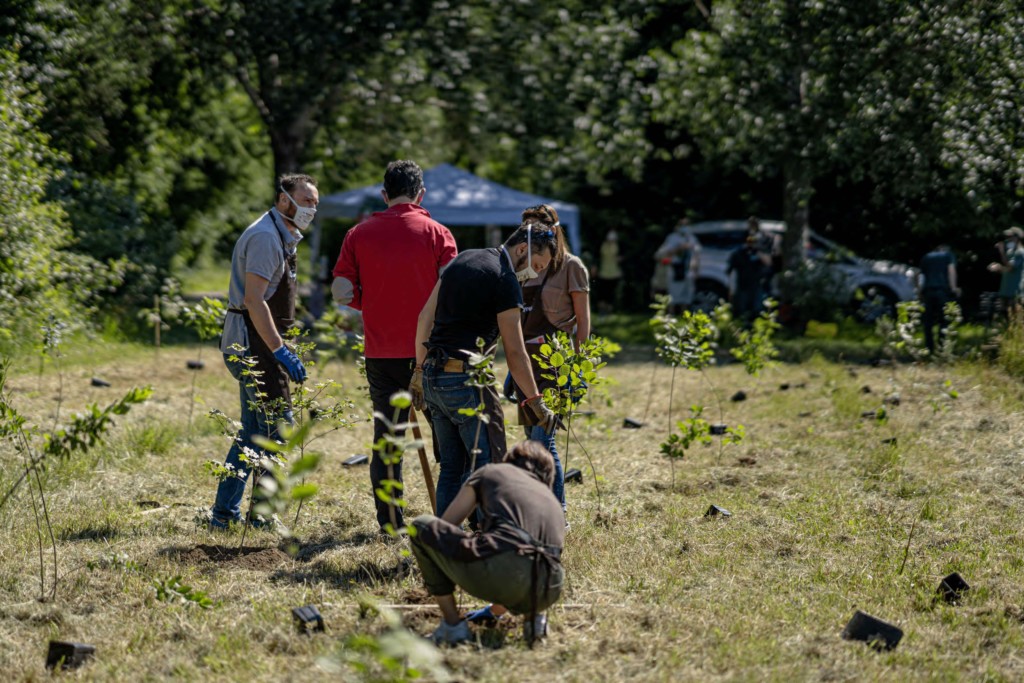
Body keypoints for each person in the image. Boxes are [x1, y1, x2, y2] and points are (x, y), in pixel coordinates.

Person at [331, 160, 457, 534]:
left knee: (387, 442)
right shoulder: (438, 233)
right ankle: (451, 519)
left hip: (381, 352)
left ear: (384, 194)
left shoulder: (358, 234)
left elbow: (341, 291)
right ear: (422, 194)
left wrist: (367, 305)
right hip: (431, 352)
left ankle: (390, 525)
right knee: (448, 438)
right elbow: (453, 292)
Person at [410, 222, 558, 518]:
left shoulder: (462, 259)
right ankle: (488, 543)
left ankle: (440, 543)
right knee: (490, 467)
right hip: (466, 381)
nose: (536, 274)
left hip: (433, 379)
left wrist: (418, 370)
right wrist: (535, 401)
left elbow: (425, 317)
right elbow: (515, 352)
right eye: (537, 265)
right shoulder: (505, 278)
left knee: (453, 468)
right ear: (522, 249)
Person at [209, 174, 318, 529]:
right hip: (253, 344)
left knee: (254, 434)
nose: (311, 209)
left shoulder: (283, 237)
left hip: (263, 342)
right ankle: (260, 517)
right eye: (306, 201)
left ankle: (225, 515)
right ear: (284, 199)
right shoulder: (265, 238)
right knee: (278, 429)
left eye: (315, 203)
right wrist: (280, 350)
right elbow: (253, 301)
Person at [409, 440, 565, 645]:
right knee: (524, 553)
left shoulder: (490, 472)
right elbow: (530, 562)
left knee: (422, 527)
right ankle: (534, 620)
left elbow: (446, 526)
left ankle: (453, 626)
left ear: (509, 461)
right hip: (550, 588)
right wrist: (493, 612)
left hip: (503, 571)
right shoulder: (553, 500)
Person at [509, 204, 590, 518]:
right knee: (531, 440)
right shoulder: (520, 267)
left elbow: (583, 322)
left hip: (557, 363)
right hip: (524, 363)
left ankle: (557, 512)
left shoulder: (572, 267)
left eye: (538, 229)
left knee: (544, 441)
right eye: (526, 230)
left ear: (554, 230)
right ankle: (536, 508)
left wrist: (578, 369)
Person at [918, 244, 960, 354]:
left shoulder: (926, 257)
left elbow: (920, 276)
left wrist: (919, 292)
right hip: (942, 291)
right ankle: (942, 348)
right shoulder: (948, 255)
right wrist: (954, 288)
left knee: (928, 322)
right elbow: (951, 271)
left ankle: (929, 348)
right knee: (943, 320)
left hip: (928, 291)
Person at [654, 218, 702, 311]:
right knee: (674, 292)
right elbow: (663, 253)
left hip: (688, 268)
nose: (685, 227)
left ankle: (685, 313)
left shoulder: (692, 238)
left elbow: (697, 254)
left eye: (686, 225)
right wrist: (679, 248)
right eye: (682, 225)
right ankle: (670, 313)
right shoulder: (672, 237)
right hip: (675, 268)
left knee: (688, 292)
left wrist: (697, 269)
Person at [727, 227, 771, 323]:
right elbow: (730, 271)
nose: (752, 242)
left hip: (757, 286)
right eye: (750, 240)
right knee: (741, 311)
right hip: (742, 286)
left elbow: (768, 263)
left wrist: (758, 251)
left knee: (757, 310)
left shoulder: (760, 252)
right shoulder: (738, 253)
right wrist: (731, 289)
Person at [989, 226, 1024, 314]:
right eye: (1007, 237)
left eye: (1010, 237)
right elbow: (1006, 267)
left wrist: (999, 265)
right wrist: (998, 267)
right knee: (1004, 318)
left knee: (1015, 318)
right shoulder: (1010, 252)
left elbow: (1010, 268)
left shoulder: (1020, 252)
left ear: (1017, 238)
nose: (1008, 239)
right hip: (1005, 290)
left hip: (1015, 292)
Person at [595, 230, 623, 311]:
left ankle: (609, 311)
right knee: (602, 293)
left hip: (615, 273)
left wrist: (621, 259)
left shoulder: (618, 246)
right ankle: (602, 311)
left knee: (611, 293)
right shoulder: (601, 245)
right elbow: (597, 256)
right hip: (603, 272)